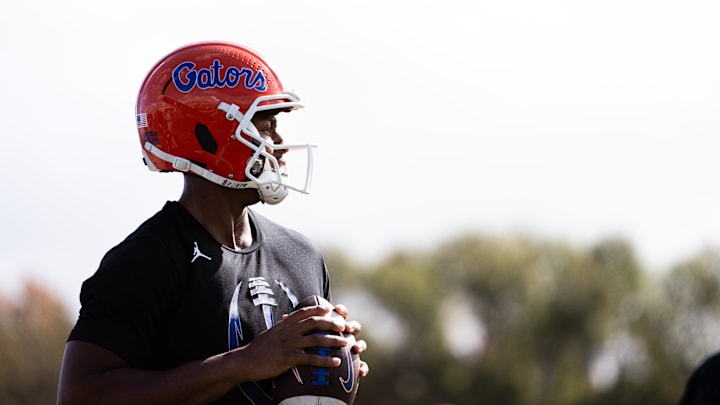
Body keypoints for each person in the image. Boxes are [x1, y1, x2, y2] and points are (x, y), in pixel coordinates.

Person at [57, 41, 368, 404]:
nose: (280, 143)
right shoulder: (145, 260)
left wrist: (331, 356)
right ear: (210, 134)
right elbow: (81, 396)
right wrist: (243, 363)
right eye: (266, 127)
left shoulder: (301, 255)